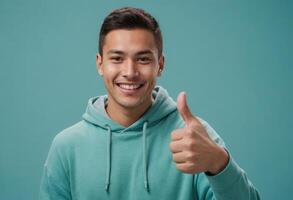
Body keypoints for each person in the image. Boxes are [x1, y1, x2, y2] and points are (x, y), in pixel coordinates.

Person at [39, 7, 260, 200]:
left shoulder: (193, 139)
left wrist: (218, 163)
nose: (130, 72)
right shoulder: (66, 147)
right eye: (117, 58)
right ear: (100, 64)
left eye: (143, 59)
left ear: (160, 65)